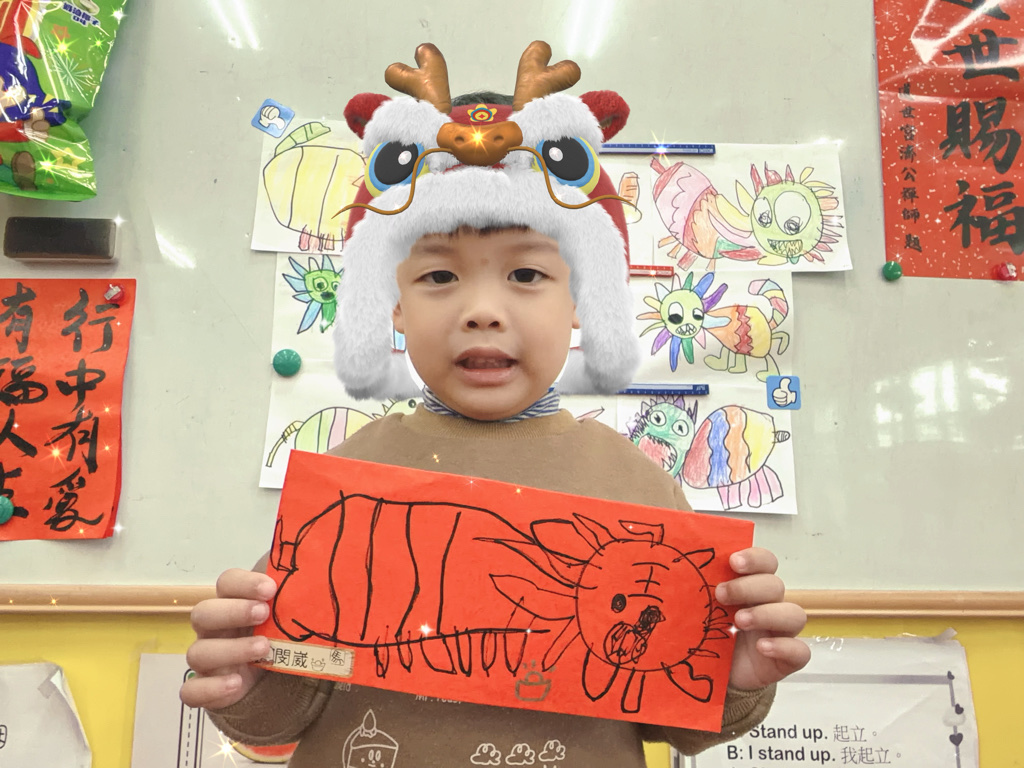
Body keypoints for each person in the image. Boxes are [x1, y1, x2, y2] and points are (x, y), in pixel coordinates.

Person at [182, 42, 809, 767]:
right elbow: (285, 705)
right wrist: (245, 679)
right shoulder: (348, 481)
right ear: (391, 303)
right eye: (439, 276)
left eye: (526, 274)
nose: (481, 309)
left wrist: (736, 678)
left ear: (584, 299)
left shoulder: (640, 488)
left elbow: (681, 718)